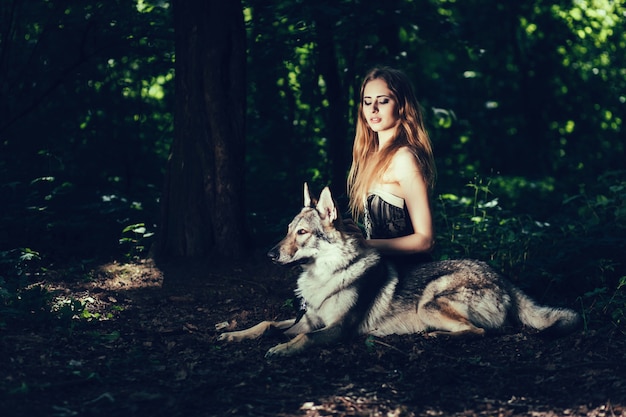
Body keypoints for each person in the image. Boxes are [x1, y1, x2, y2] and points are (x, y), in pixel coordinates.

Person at [347, 66, 436, 264]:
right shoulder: (369, 157)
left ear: (401, 105)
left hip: (412, 276)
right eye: (367, 102)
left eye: (383, 101)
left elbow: (425, 240)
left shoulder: (404, 158)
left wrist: (365, 244)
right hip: (381, 271)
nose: (373, 109)